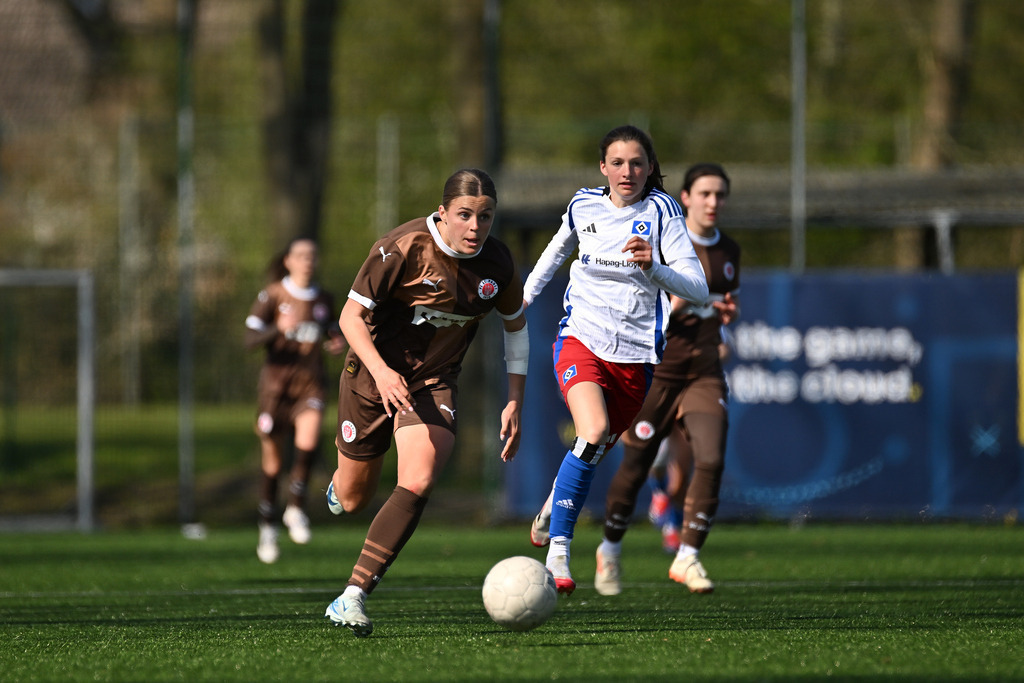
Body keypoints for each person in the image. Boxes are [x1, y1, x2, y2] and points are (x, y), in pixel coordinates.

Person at [323, 168, 528, 637]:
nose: (475, 227)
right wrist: (382, 372)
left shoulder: (497, 264)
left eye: (485, 216)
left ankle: (352, 595)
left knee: (418, 478)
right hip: (372, 378)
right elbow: (350, 318)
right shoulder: (402, 247)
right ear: (443, 213)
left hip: (433, 382)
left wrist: (514, 399)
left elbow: (517, 328)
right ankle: (341, 485)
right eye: (465, 215)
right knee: (354, 499)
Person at [522, 126, 709, 595]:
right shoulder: (582, 205)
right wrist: (520, 299)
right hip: (580, 339)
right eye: (618, 163)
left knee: (593, 449)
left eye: (638, 163)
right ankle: (559, 553)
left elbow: (699, 288)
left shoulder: (663, 212)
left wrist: (655, 268)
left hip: (636, 357)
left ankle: (552, 504)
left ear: (650, 168)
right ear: (603, 167)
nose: (628, 172)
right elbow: (554, 254)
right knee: (592, 432)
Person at [596, 162, 740, 595]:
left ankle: (688, 557)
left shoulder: (729, 250)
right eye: (705, 194)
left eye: (720, 195)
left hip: (703, 372)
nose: (712, 203)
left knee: (710, 458)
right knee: (636, 465)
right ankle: (610, 549)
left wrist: (724, 320)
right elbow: (642, 303)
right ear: (685, 197)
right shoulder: (660, 240)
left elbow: (723, 305)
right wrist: (680, 302)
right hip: (655, 369)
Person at [244, 237, 347, 564]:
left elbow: (335, 331)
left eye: (313, 256)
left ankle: (296, 509)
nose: (308, 261)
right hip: (275, 391)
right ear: (287, 260)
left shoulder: (323, 299)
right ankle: (267, 528)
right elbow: (249, 340)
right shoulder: (272, 295)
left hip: (310, 385)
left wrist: (337, 342)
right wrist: (277, 330)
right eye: (301, 255)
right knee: (273, 463)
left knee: (309, 439)